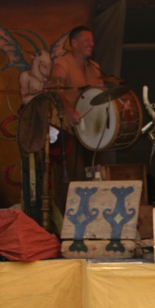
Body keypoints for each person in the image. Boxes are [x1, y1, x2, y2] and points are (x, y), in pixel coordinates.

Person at [49, 25, 106, 211]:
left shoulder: (94, 68)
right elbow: (56, 91)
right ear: (73, 44)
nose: (92, 44)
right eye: (86, 41)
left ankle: (91, 213)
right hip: (68, 131)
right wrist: (69, 111)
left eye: (92, 41)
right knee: (71, 176)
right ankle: (68, 217)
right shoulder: (62, 65)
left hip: (89, 132)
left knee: (91, 173)